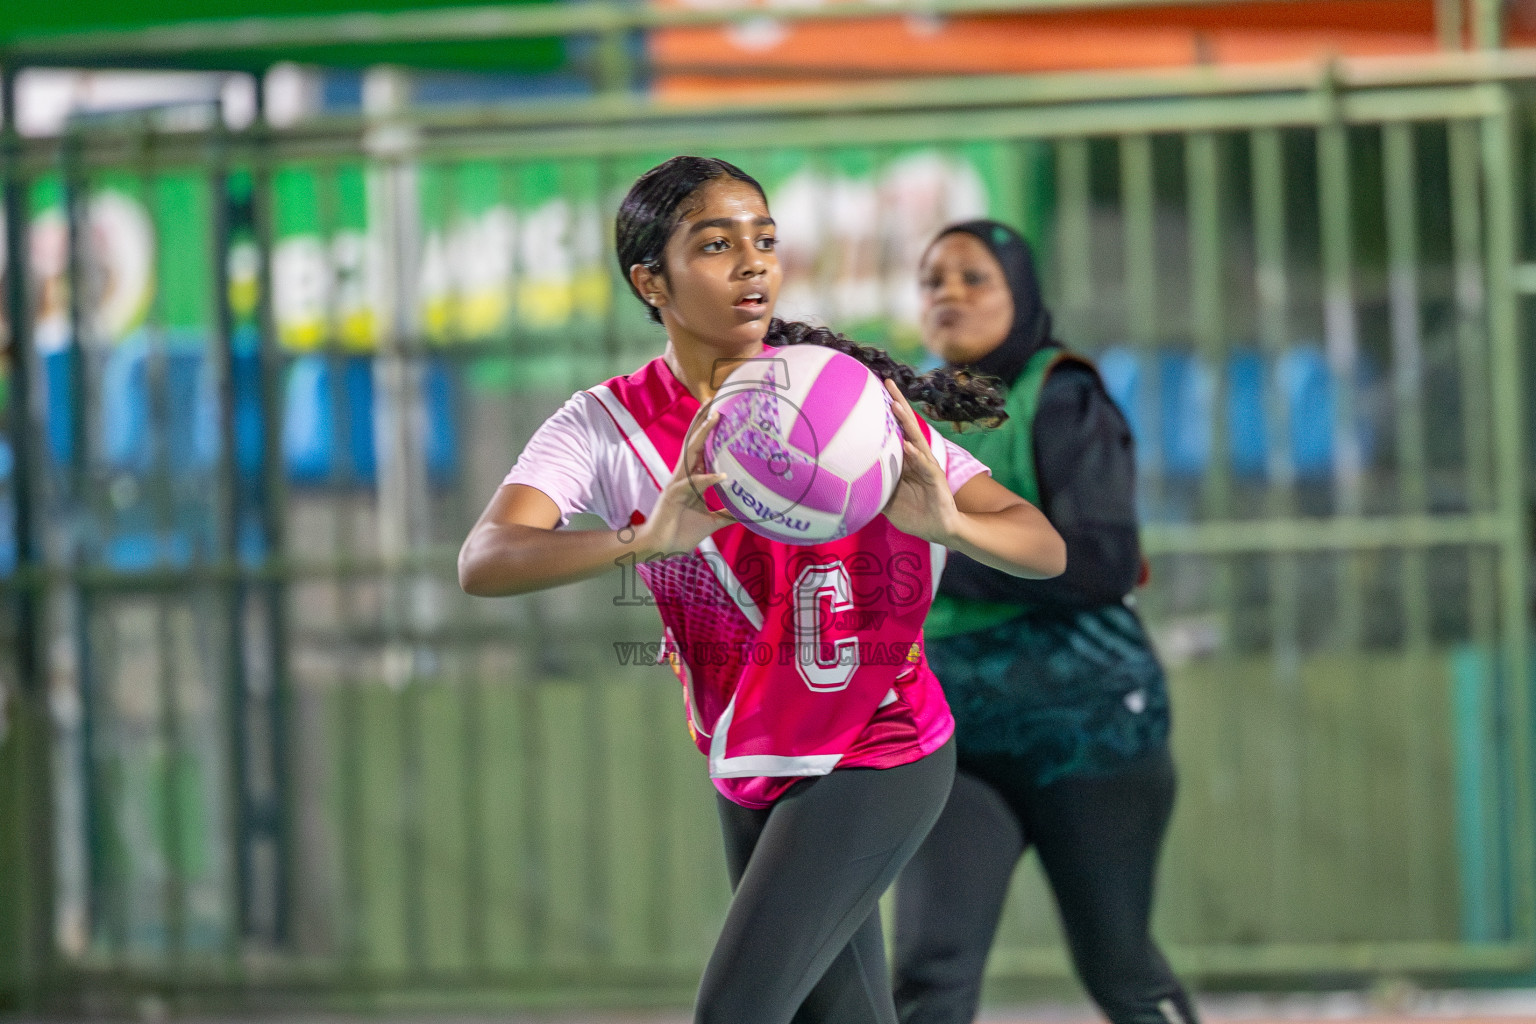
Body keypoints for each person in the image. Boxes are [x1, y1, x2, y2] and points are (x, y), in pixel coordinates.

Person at [458, 159, 1066, 1024]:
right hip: (750, 754)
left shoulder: (848, 401)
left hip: (877, 747)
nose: (753, 263)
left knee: (736, 1012)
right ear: (650, 281)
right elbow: (485, 559)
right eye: (716, 244)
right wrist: (645, 538)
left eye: (766, 241)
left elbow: (1043, 547)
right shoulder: (605, 423)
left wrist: (956, 526)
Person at [891, 220, 1199, 1024]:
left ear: (1020, 294)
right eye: (932, 282)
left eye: (973, 278)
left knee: (1120, 968)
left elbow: (1096, 561)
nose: (948, 295)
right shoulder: (899, 415)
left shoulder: (1061, 395)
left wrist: (939, 555)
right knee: (930, 972)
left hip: (1089, 730)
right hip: (956, 740)